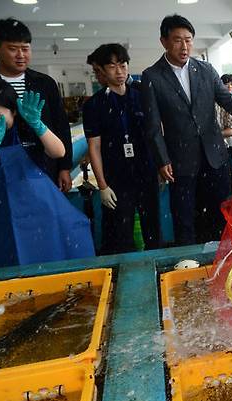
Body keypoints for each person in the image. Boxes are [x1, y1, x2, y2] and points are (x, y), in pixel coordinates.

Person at [141, 14, 232, 246]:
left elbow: (227, 100)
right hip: (180, 163)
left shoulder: (206, 70)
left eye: (189, 40)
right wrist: (162, 159)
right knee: (185, 219)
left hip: (215, 158)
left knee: (221, 214)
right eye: (178, 40)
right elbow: (152, 126)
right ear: (164, 41)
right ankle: (189, 270)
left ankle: (221, 264)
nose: (184, 46)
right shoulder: (152, 77)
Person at [0, 80, 94, 267]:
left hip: (42, 209)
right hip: (4, 212)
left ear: (13, 111)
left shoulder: (26, 129)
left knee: (55, 253)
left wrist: (37, 124)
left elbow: (58, 152)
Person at [0, 18, 73, 192]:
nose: (21, 55)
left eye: (25, 49)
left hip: (42, 164)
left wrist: (64, 167)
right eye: (13, 49)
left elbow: (60, 125)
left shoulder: (44, 83)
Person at [83, 44, 160, 255]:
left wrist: (161, 166)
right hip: (117, 178)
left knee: (153, 229)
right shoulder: (94, 105)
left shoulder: (141, 95)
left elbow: (156, 133)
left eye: (123, 65)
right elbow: (94, 147)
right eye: (112, 66)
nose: (120, 71)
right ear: (101, 70)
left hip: (146, 172)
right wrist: (102, 185)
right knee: (121, 234)